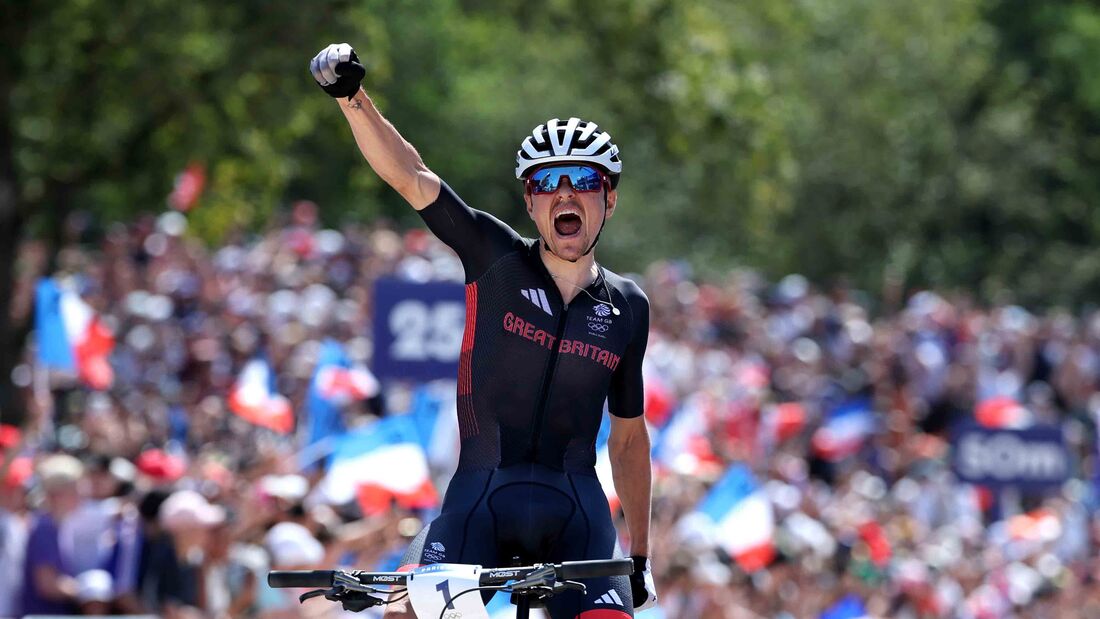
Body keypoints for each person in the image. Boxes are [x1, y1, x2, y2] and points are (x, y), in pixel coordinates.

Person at [309, 43, 659, 618]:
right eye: (548, 183)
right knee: (405, 613)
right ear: (530, 201)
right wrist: (352, 99)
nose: (565, 193)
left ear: (609, 198)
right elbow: (412, 176)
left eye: (582, 180)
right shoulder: (494, 258)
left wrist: (641, 554)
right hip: (481, 496)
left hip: (576, 511)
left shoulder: (627, 305)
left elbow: (628, 440)